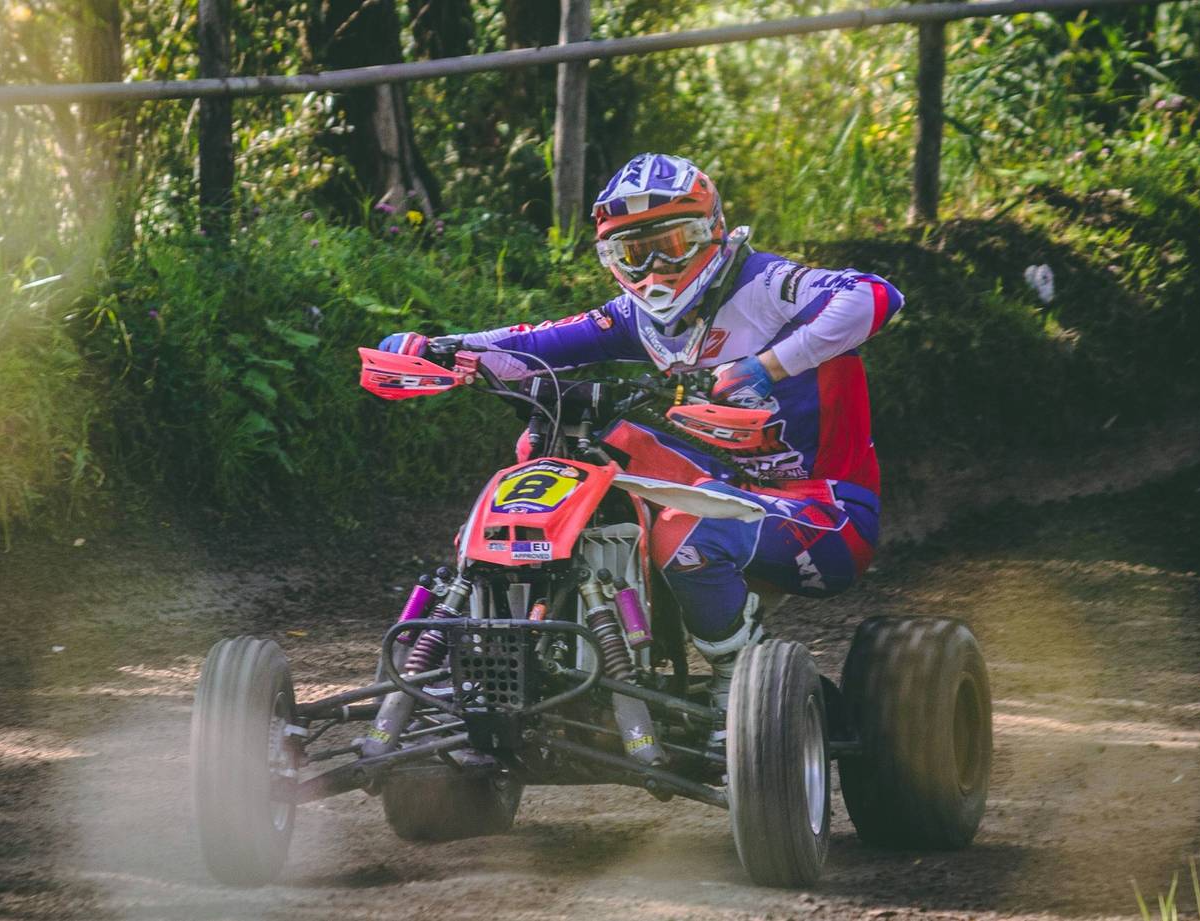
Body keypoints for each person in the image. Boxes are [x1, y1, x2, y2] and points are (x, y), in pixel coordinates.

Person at [377, 152, 903, 728]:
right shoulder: (634, 316)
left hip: (825, 509)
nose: (655, 267)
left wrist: (768, 366)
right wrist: (439, 348)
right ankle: (532, 638)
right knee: (554, 447)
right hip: (723, 483)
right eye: (634, 252)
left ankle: (736, 680)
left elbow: (874, 296)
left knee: (686, 530)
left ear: (712, 232)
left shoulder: (766, 285)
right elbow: (533, 344)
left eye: (672, 245)